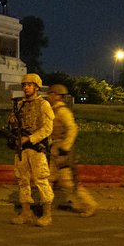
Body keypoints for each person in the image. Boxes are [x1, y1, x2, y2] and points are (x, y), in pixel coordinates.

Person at [9, 73, 55, 227]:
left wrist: (30, 138)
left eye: (29, 85)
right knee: (22, 180)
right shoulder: (20, 104)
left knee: (41, 179)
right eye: (24, 85)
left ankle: (47, 214)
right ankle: (26, 212)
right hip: (22, 148)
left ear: (36, 87)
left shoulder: (43, 105)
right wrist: (12, 121)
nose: (26, 88)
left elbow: (48, 128)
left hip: (36, 147)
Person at [47, 84, 98, 217]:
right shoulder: (53, 110)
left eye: (51, 94)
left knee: (67, 182)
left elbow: (72, 129)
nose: (49, 96)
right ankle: (46, 205)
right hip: (53, 149)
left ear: (56, 96)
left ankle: (89, 205)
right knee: (47, 178)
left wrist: (65, 147)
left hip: (62, 151)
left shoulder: (63, 112)